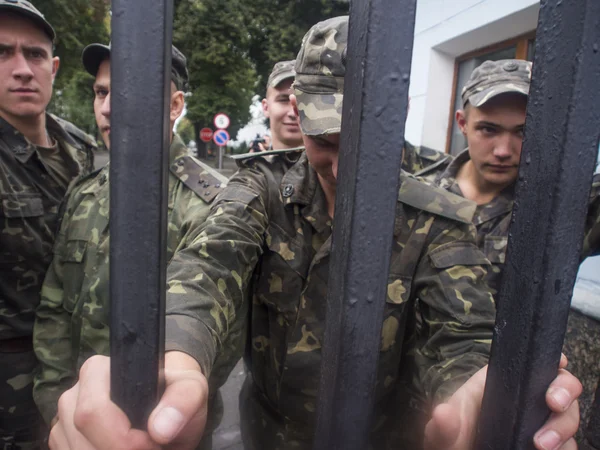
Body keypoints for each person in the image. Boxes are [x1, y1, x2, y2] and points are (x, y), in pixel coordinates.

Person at [47, 17, 581, 450]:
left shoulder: (434, 217)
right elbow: (207, 268)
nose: (341, 164)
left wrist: (476, 392)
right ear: (298, 116)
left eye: (362, 137)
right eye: (325, 139)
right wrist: (174, 354)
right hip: (266, 433)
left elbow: (462, 327)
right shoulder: (263, 187)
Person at [32, 42, 243, 450]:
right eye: (101, 92)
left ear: (175, 104)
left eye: (128, 91)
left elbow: (221, 341)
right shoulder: (86, 192)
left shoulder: (214, 204)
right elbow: (54, 309)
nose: (108, 107)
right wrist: (58, 407)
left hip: (164, 432)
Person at [417, 58, 600, 444]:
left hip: (506, 410)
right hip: (403, 404)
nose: (503, 149)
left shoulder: (561, 207)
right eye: (487, 129)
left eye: (523, 131)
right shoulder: (420, 194)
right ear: (462, 122)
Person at [0, 1, 94, 447]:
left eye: (34, 54)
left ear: (53, 67)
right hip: (9, 385)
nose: (22, 69)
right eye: (2, 53)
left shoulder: (85, 148)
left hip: (81, 368)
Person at [253, 60, 303, 152]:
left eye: (301, 101)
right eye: (283, 100)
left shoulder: (335, 166)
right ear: (266, 107)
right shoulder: (252, 166)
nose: (292, 113)